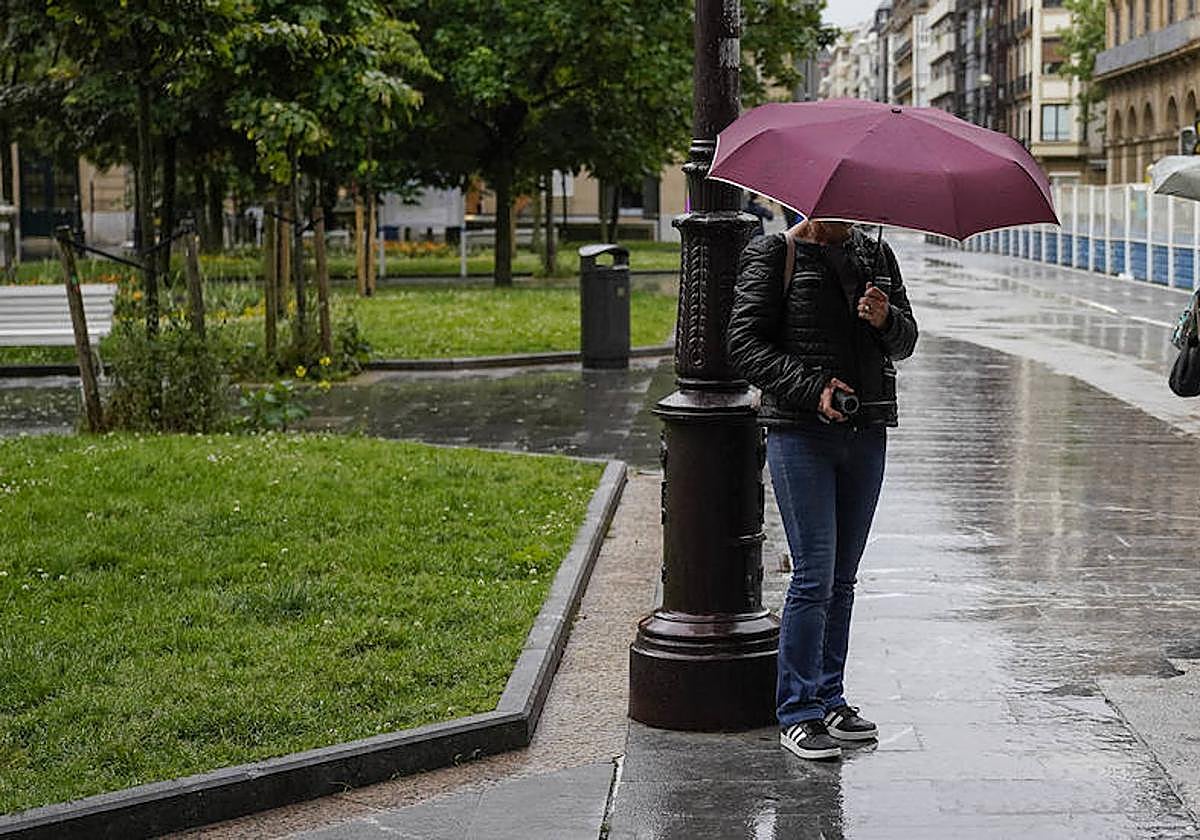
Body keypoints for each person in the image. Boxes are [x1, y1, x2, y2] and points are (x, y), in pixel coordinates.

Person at [726, 219, 918, 761]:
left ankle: (831, 697)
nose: (846, 214)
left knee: (842, 578)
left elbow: (906, 343)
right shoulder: (775, 253)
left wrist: (886, 319)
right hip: (801, 432)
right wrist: (813, 389)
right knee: (813, 574)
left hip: (867, 432)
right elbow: (742, 345)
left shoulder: (876, 256)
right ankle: (797, 709)